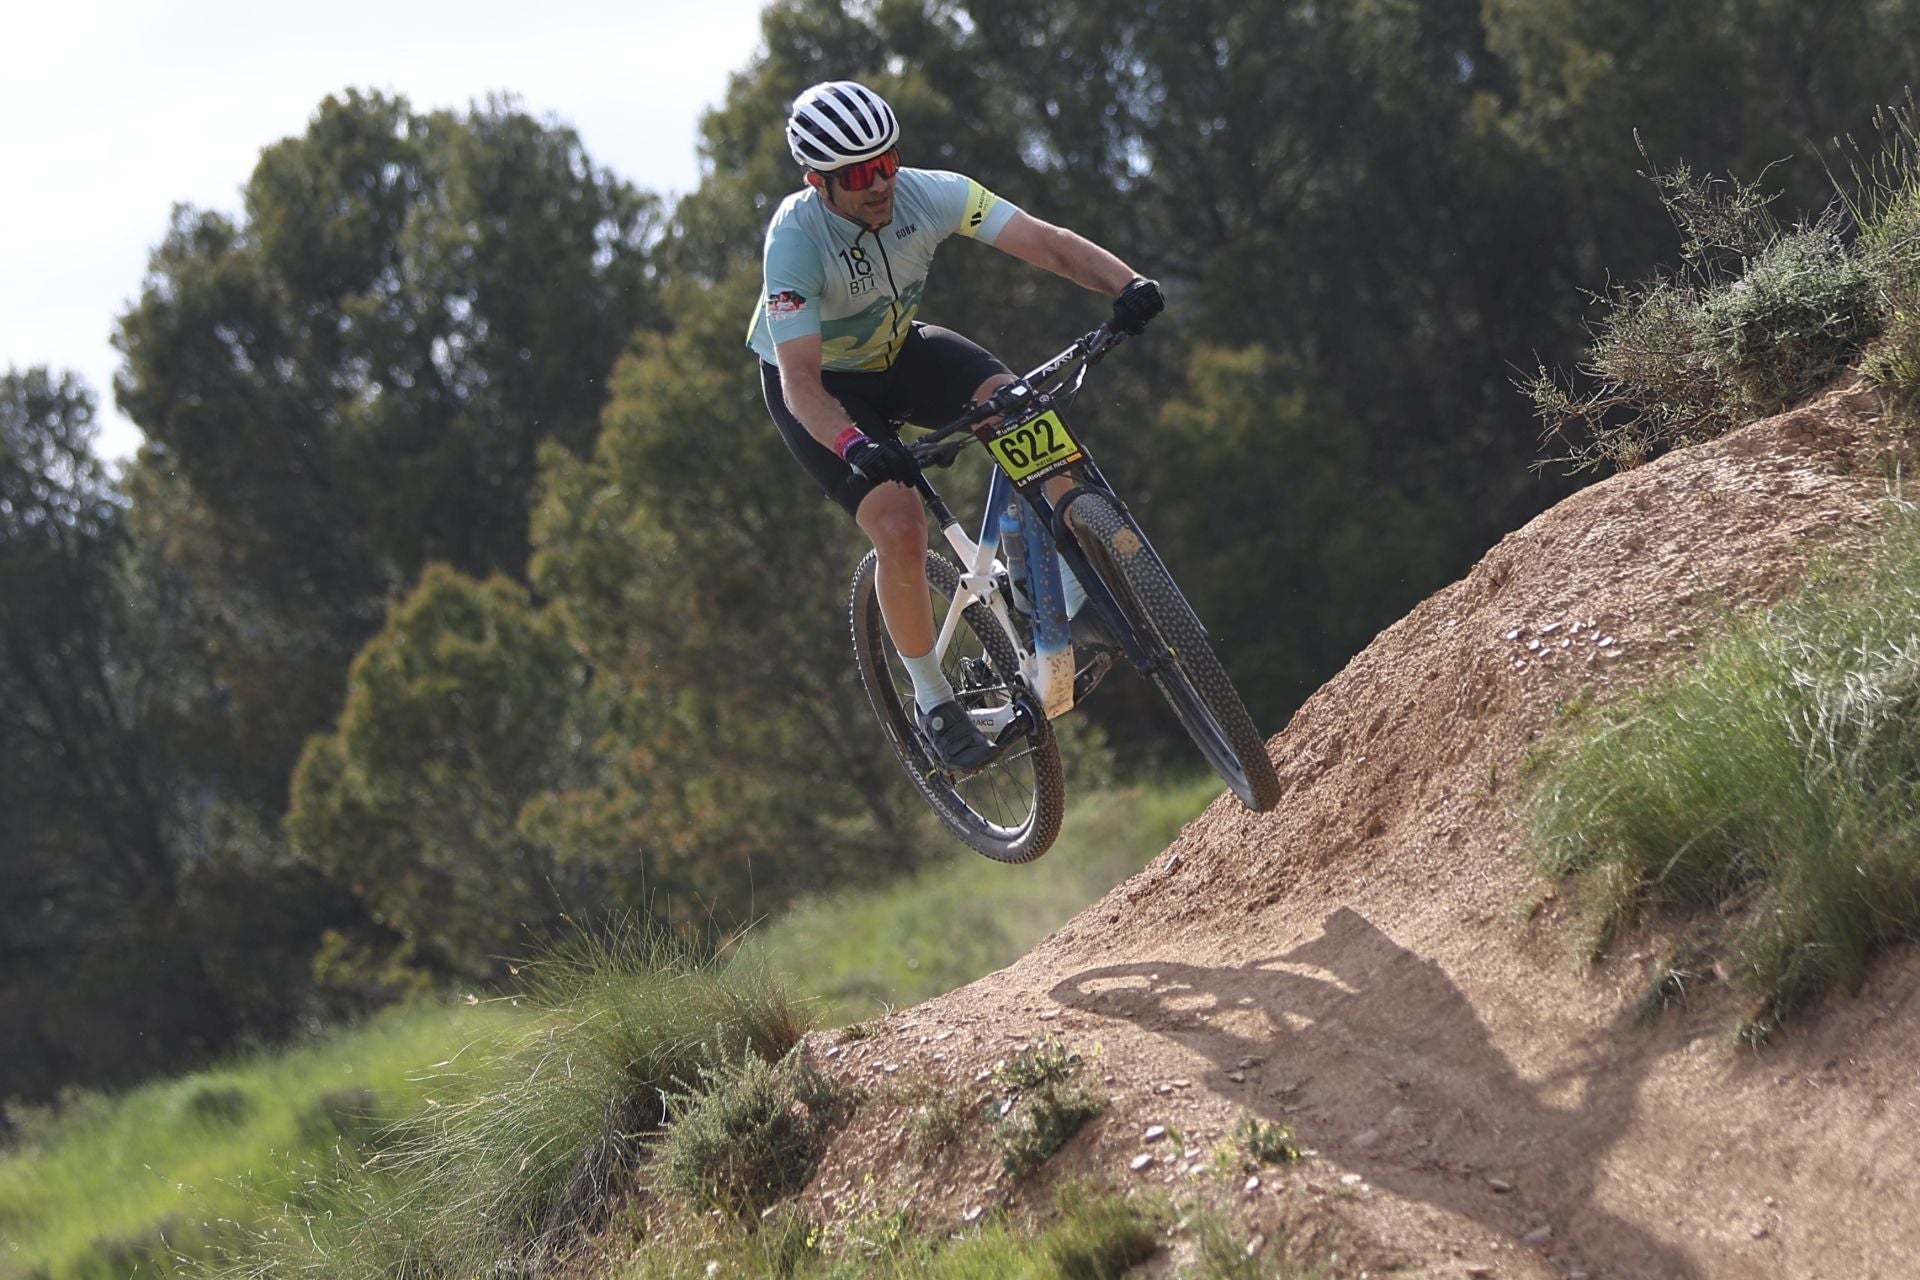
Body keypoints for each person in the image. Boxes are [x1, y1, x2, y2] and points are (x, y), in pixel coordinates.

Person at [748, 80, 1164, 770]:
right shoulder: (794, 240)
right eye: (859, 176)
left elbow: (1048, 244)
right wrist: (855, 444)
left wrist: (1128, 284)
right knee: (901, 526)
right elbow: (799, 380)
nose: (881, 183)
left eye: (887, 163)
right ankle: (934, 700)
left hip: (901, 353)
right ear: (818, 182)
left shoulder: (932, 193)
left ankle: (1068, 596)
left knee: (1027, 418)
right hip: (823, 387)